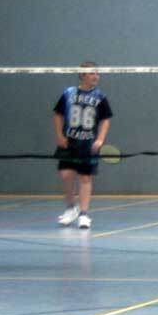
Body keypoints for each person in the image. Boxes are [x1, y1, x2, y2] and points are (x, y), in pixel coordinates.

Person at [53, 61, 111, 230]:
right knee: (65, 175)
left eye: (97, 73)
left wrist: (100, 139)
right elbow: (57, 115)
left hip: (88, 144)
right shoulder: (68, 93)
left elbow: (106, 119)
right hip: (69, 143)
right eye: (92, 73)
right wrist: (59, 136)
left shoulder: (100, 96)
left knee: (85, 178)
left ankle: (84, 214)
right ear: (82, 75)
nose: (96, 76)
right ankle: (71, 208)